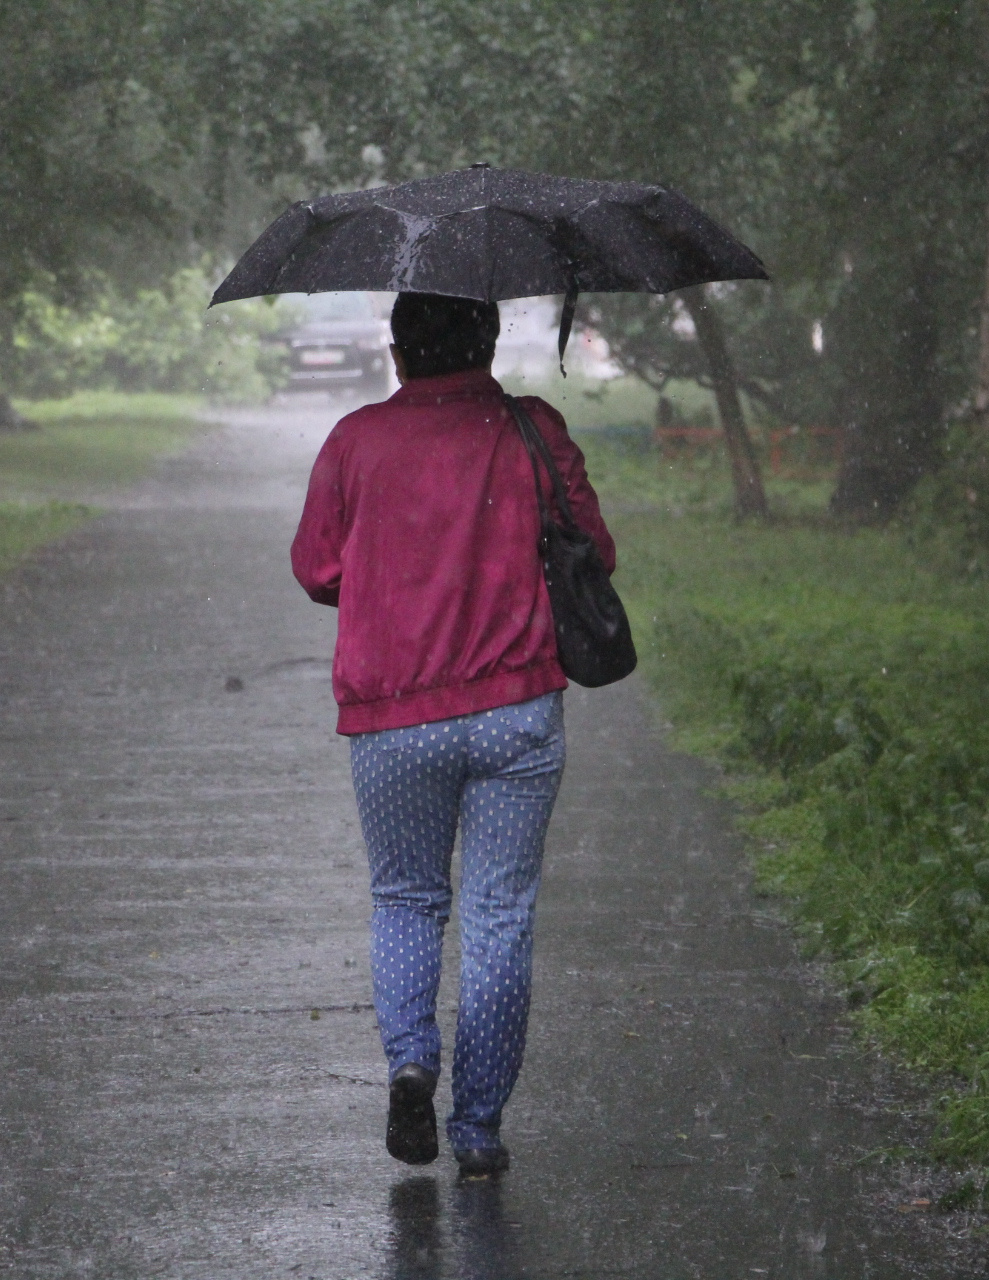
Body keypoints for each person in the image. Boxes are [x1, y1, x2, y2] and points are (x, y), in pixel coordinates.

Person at [290, 292, 616, 1177]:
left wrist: (395, 574)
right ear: (486, 342)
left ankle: (410, 1061)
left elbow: (318, 568)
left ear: (399, 354)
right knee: (499, 916)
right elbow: (594, 553)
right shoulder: (533, 428)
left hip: (394, 716)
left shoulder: (356, 439)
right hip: (517, 712)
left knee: (405, 900)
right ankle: (477, 1129)